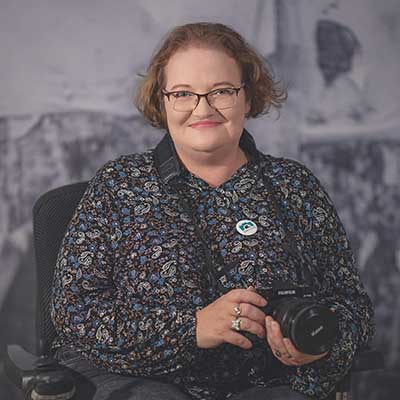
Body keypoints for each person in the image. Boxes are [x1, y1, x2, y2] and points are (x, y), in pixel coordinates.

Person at [50, 22, 375, 400]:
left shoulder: (293, 185)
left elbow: (353, 306)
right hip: (147, 384)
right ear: (163, 101)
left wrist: (320, 344)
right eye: (183, 93)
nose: (202, 108)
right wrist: (191, 329)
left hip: (271, 385)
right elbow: (73, 311)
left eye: (221, 91)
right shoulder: (119, 185)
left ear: (248, 97)